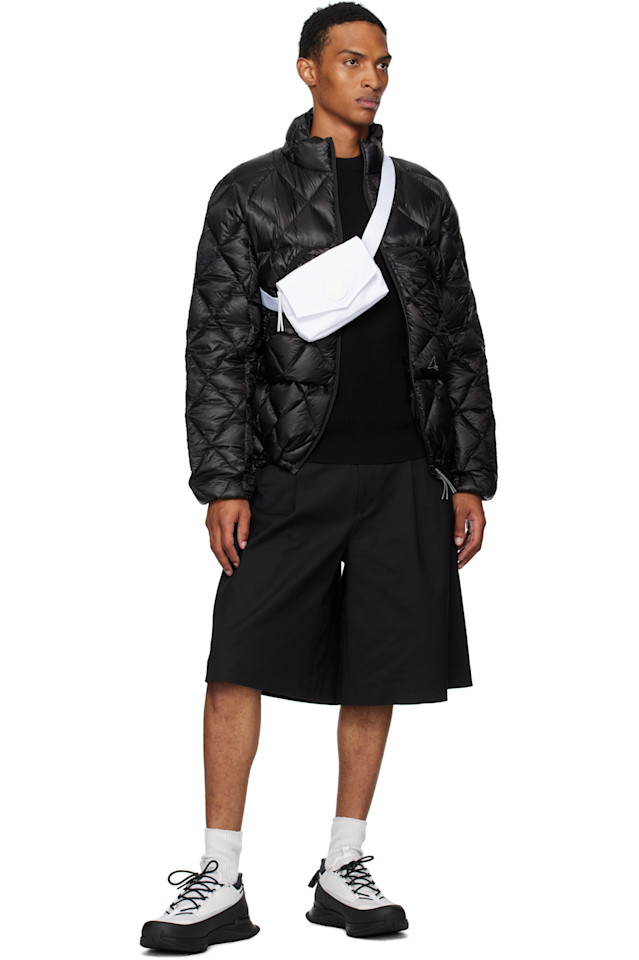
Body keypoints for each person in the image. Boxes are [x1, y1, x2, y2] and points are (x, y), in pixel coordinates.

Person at [140, 1, 497, 951]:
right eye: (350, 61)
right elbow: (215, 345)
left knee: (378, 667)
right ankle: (219, 876)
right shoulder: (248, 193)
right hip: (287, 469)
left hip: (405, 471)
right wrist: (223, 480)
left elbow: (460, 339)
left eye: (381, 62)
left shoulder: (422, 197)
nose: (371, 77)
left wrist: (467, 473)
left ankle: (343, 866)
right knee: (235, 661)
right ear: (307, 70)